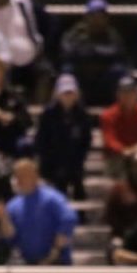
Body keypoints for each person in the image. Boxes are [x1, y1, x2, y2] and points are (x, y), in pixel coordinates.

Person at [0, 158, 78, 266]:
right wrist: (3, 218)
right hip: (26, 265)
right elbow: (10, 237)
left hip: (55, 263)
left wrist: (55, 251)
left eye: (24, 175)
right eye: (17, 176)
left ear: (35, 176)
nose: (20, 179)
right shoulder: (12, 205)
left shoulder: (52, 198)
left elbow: (69, 219)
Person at [60, 0, 129, 107]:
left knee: (119, 71)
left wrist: (92, 51)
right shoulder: (76, 32)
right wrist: (91, 53)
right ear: (87, 17)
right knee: (68, 70)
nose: (97, 19)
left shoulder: (112, 34)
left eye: (101, 16)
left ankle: (114, 108)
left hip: (103, 76)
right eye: (93, 16)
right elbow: (68, 51)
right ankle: (73, 109)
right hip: (83, 74)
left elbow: (117, 52)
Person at [34, 73, 93, 202]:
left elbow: (86, 142)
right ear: (57, 94)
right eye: (65, 93)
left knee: (78, 186)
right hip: (52, 164)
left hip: (75, 164)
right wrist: (53, 161)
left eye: (70, 92)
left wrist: (76, 161)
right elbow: (42, 141)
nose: (68, 96)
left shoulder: (82, 115)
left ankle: (80, 217)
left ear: (77, 94)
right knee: (58, 184)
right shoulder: (48, 114)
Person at [99, 75, 137, 175]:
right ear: (118, 95)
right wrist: (128, 151)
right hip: (118, 158)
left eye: (131, 92)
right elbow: (110, 141)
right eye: (124, 92)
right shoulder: (108, 115)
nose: (128, 96)